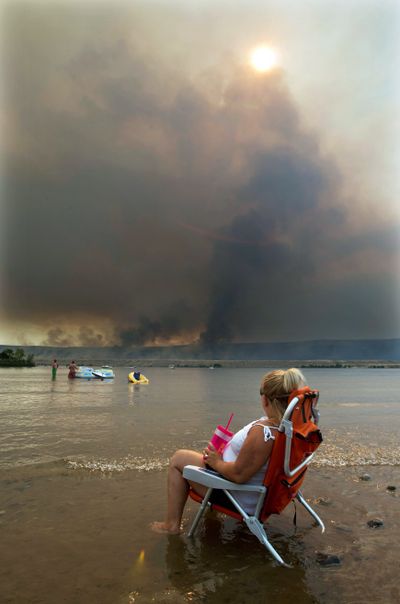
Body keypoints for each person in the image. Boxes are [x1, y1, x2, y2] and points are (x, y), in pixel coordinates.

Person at [150, 368, 307, 534]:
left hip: (236, 495)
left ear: (266, 399)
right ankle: (210, 514)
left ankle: (171, 525)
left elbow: (239, 475)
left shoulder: (264, 434)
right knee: (190, 457)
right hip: (252, 490)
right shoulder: (290, 428)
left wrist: (216, 462)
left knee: (178, 459)